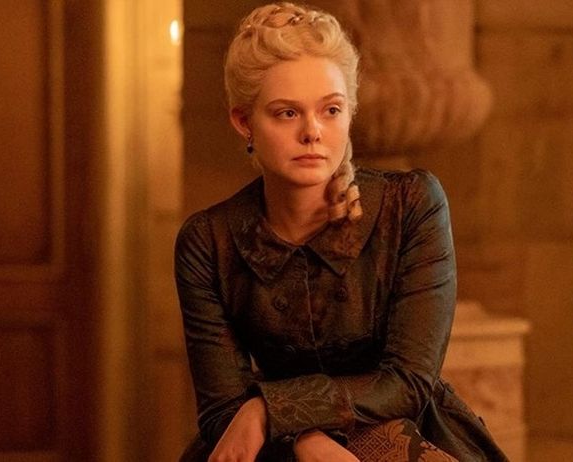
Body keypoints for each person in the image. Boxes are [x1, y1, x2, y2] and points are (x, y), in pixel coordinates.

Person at [174, 3, 509, 461]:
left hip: (406, 433)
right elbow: (222, 409)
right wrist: (303, 438)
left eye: (330, 110)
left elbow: (408, 381)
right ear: (244, 122)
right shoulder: (207, 241)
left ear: (349, 113)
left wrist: (270, 410)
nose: (312, 132)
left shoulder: (412, 204)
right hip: (269, 450)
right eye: (287, 113)